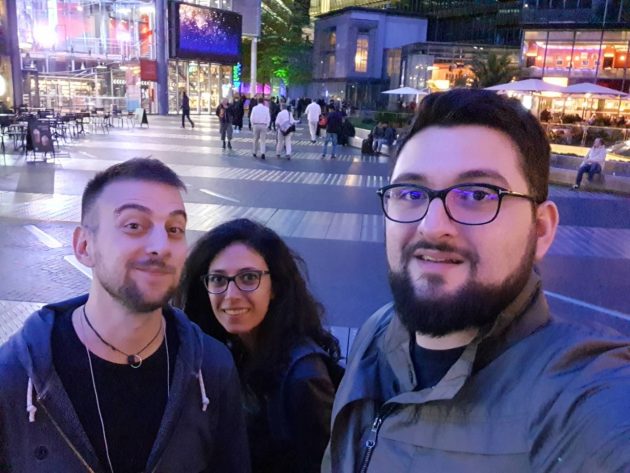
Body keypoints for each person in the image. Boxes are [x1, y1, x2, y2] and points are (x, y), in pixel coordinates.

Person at [322, 89, 630, 472]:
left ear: (541, 230)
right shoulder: (379, 332)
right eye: (411, 193)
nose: (432, 226)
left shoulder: (579, 398)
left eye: (477, 194)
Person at [0, 158, 250, 472]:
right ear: (84, 246)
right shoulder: (14, 377)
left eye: (174, 229)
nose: (161, 245)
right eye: (134, 225)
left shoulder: (211, 369)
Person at [175, 218, 340, 473]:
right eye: (218, 279)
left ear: (275, 287)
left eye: (249, 278)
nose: (231, 295)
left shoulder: (303, 378)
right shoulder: (232, 350)